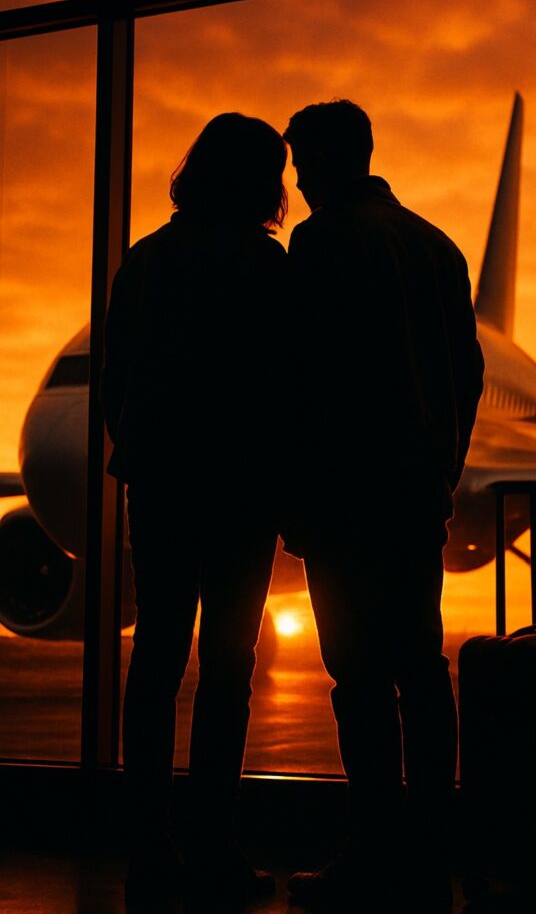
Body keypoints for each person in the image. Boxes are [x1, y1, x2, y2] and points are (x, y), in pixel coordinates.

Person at [282, 99, 484, 909]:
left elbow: (304, 378)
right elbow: (464, 376)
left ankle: (371, 850)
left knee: (359, 681)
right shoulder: (437, 246)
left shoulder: (322, 240)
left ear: (326, 161)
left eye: (301, 164)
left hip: (343, 498)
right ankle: (431, 845)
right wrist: (440, 465)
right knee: (421, 671)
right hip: (412, 494)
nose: (295, 183)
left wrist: (295, 492)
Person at [101, 113, 288, 912]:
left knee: (155, 662)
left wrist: (145, 450)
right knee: (226, 672)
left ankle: (147, 847)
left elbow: (119, 378)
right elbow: (289, 388)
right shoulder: (266, 264)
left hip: (164, 486)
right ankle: (214, 844)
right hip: (242, 492)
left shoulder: (145, 260)